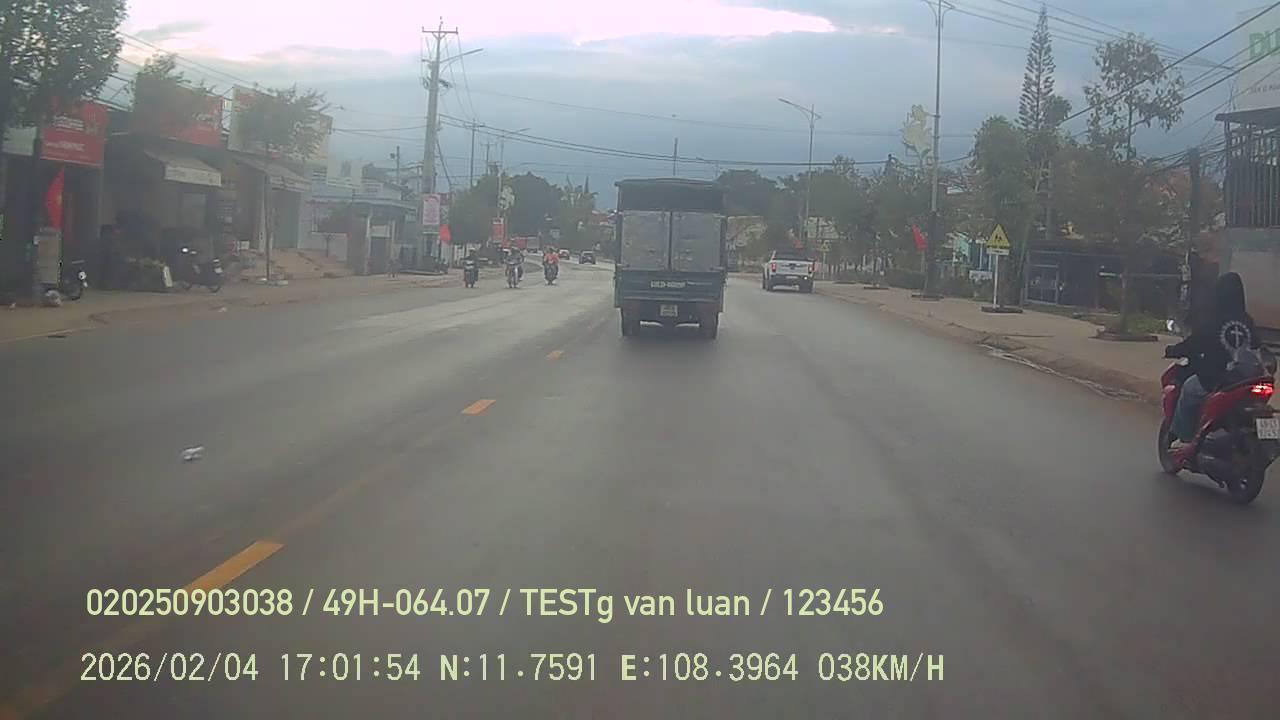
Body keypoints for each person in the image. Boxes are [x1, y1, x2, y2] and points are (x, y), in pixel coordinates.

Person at [1165, 272, 1260, 446]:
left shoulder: (1214, 319)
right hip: (1247, 378)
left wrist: (1174, 350)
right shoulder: (1247, 321)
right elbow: (1257, 344)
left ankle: (1184, 438)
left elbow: (1195, 343)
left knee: (1189, 389)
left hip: (1218, 378)